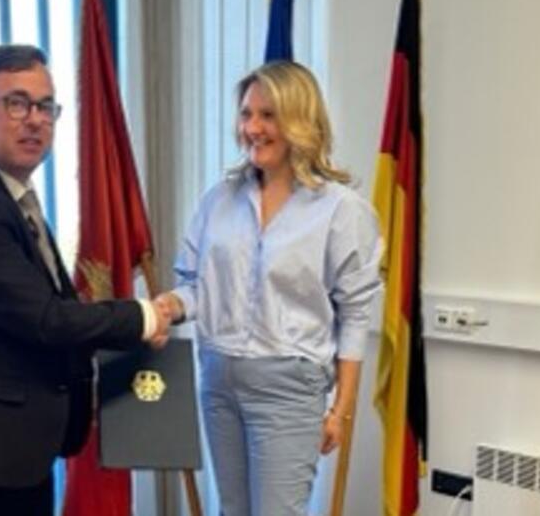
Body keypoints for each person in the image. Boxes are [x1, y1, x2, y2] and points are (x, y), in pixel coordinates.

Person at [0, 44, 172, 515]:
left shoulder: (12, 196)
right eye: (16, 103)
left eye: (46, 106)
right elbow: (45, 319)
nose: (35, 120)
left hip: (14, 450)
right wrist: (145, 316)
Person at [157, 60, 383, 516]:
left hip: (288, 389)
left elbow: (355, 314)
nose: (252, 128)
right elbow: (198, 287)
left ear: (300, 120)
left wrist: (340, 410)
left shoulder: (340, 209)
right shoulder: (218, 200)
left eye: (268, 115)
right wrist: (169, 306)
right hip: (218, 380)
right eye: (246, 114)